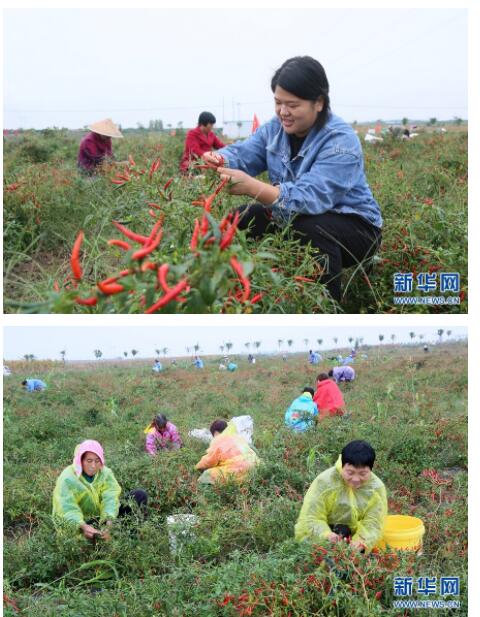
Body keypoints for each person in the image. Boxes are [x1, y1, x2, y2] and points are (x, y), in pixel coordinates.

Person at [202, 56, 382, 303]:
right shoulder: (274, 129)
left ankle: (328, 307)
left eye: (293, 105)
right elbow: (245, 153)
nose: (283, 112)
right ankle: (232, 292)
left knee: (311, 228)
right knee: (239, 219)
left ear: (318, 103)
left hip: (356, 226)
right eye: (278, 103)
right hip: (295, 216)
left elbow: (311, 198)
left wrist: (254, 188)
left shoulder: (341, 141)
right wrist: (219, 158)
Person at [295, 440, 387, 552]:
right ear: (342, 466)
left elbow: (374, 523)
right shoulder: (325, 482)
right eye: (350, 473)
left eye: (362, 474)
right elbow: (311, 517)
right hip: (328, 532)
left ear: (371, 469)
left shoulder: (376, 488)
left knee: (357, 554)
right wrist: (327, 535)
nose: (356, 479)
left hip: (354, 535)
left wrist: (361, 541)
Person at [52, 440, 147, 540]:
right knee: (89, 536)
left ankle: (132, 537)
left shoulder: (105, 473)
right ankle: (95, 542)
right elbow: (67, 509)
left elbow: (110, 497)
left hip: (102, 518)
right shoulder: (68, 478)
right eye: (89, 461)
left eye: (97, 461)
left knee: (139, 495)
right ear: (81, 461)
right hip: (83, 523)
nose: (93, 466)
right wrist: (84, 527)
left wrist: (108, 521)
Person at [195, 419, 260, 484]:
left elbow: (209, 461)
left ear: (215, 433)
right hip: (256, 467)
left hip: (240, 470)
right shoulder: (238, 437)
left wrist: (197, 467)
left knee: (207, 475)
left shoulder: (218, 440)